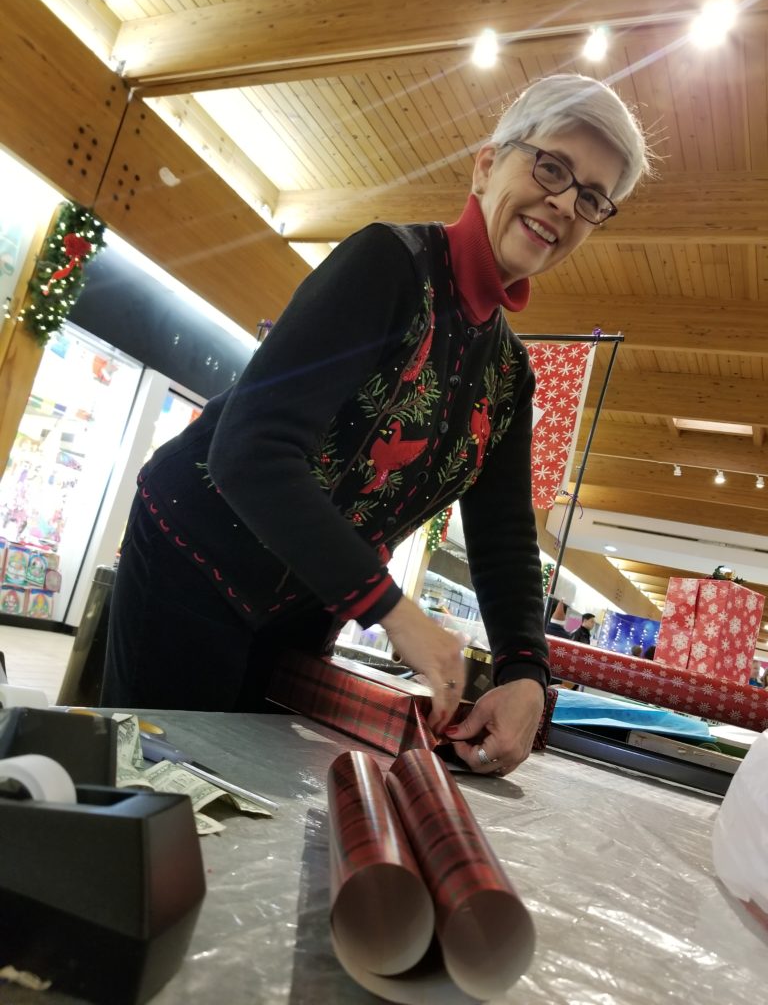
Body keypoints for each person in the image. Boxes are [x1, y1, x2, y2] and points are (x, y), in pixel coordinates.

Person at [101, 73, 650, 776]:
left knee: (246, 796)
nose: (566, 203)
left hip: (305, 609)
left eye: (593, 197)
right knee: (154, 790)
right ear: (487, 165)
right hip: (193, 562)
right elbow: (251, 451)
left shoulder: (510, 373)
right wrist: (392, 609)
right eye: (551, 168)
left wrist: (525, 671)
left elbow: (506, 537)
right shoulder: (388, 265)